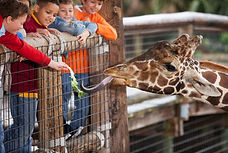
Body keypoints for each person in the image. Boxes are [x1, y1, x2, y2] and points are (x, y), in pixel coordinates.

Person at [0, 0, 67, 152]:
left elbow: (25, 48)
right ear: (9, 19)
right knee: (22, 128)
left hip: (29, 85)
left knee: (24, 131)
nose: (21, 28)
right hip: (20, 84)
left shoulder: (8, 35)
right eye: (21, 23)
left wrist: (51, 63)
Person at [49, 0, 98, 138]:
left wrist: (87, 32)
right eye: (63, 11)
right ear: (57, 12)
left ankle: (75, 129)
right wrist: (84, 27)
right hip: (63, 67)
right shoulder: (56, 22)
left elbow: (93, 25)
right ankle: (63, 129)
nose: (67, 14)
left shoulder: (74, 21)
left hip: (78, 67)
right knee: (63, 97)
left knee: (82, 97)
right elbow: (76, 30)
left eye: (70, 10)